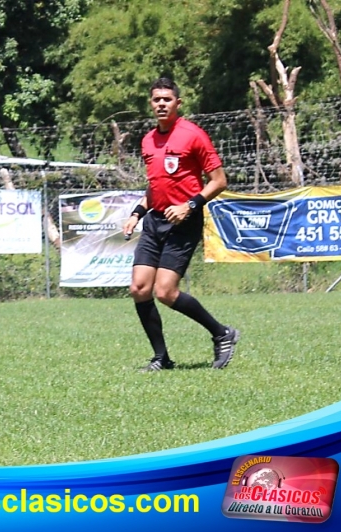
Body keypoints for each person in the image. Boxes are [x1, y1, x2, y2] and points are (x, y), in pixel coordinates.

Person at [123, 77, 240, 372]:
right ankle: (161, 358)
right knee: (139, 288)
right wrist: (137, 213)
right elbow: (156, 187)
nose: (161, 104)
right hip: (155, 220)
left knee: (165, 292)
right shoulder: (148, 139)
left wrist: (189, 205)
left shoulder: (193, 135)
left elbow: (219, 181)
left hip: (184, 222)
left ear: (178, 103)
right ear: (151, 103)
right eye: (156, 99)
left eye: (167, 99)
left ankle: (222, 333)